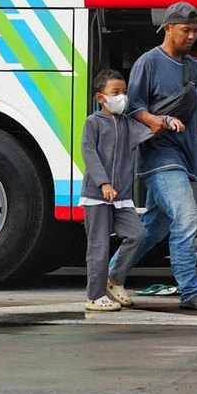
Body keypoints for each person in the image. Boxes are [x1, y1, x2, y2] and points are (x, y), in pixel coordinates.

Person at [109, 2, 197, 311]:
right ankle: (190, 291)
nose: (192, 36)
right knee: (186, 218)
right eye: (186, 30)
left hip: (184, 155)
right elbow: (132, 106)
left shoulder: (192, 66)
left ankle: (108, 276)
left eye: (196, 31)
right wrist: (159, 121)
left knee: (154, 226)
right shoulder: (148, 62)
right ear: (167, 28)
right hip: (160, 156)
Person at [80, 70, 149, 312]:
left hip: (121, 197)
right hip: (97, 196)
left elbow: (152, 129)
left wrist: (169, 121)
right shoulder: (93, 123)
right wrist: (103, 183)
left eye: (124, 92)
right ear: (101, 97)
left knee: (137, 234)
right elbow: (90, 154)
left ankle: (115, 279)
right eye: (115, 93)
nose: (122, 97)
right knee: (98, 247)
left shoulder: (127, 123)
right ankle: (94, 296)